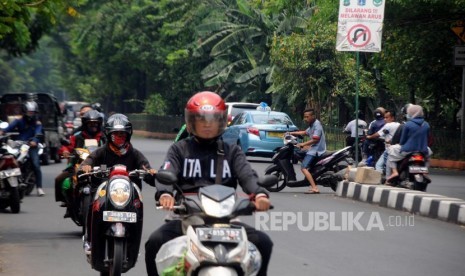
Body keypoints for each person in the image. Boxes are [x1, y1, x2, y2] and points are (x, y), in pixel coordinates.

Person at [144, 91, 272, 276]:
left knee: (263, 243)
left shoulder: (232, 151)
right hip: (187, 217)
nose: (207, 124)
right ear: (191, 122)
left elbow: (247, 176)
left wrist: (259, 194)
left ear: (221, 122)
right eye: (201, 119)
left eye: (212, 119)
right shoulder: (179, 149)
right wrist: (165, 194)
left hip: (226, 221)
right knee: (155, 242)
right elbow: (167, 172)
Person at [79, 113, 157, 254]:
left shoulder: (135, 153)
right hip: (105, 192)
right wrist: (86, 166)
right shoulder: (101, 152)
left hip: (129, 194)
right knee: (92, 206)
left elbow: (145, 167)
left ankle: (133, 244)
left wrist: (151, 172)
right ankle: (90, 240)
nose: (120, 136)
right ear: (109, 135)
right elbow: (89, 160)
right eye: (116, 134)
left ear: (128, 134)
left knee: (139, 209)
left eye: (123, 133)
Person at [54, 110, 106, 217]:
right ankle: (67, 203)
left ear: (99, 124)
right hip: (78, 165)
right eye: (90, 123)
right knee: (59, 180)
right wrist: (65, 151)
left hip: (99, 166)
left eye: (95, 123)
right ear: (85, 124)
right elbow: (68, 146)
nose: (93, 126)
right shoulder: (77, 136)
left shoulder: (104, 137)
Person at [0, 101, 44, 196]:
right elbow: (9, 128)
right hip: (18, 144)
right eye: (29, 112)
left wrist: (34, 141)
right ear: (24, 111)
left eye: (32, 112)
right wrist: (2, 132)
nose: (31, 114)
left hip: (31, 145)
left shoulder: (37, 122)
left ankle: (39, 188)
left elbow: (38, 132)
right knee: (9, 157)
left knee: (36, 164)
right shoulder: (19, 120)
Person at [386, 104, 431, 184]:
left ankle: (394, 172)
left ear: (411, 113)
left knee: (390, 150)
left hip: (408, 149)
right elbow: (427, 139)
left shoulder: (408, 124)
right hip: (423, 149)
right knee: (428, 157)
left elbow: (402, 141)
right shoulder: (426, 125)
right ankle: (425, 172)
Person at [288, 109, 326, 194]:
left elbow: (315, 139)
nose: (305, 118)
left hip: (316, 150)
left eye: (307, 117)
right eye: (304, 117)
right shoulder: (312, 125)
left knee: (303, 167)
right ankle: (311, 172)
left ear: (313, 116)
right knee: (297, 152)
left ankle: (314, 188)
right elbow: (305, 132)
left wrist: (303, 144)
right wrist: (292, 133)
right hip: (312, 149)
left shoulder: (317, 125)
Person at [366, 110, 400, 175]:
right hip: (397, 148)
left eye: (387, 117)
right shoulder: (399, 125)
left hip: (389, 149)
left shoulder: (388, 125)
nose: (385, 119)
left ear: (392, 118)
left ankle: (381, 178)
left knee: (379, 165)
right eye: (384, 117)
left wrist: (369, 137)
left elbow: (378, 134)